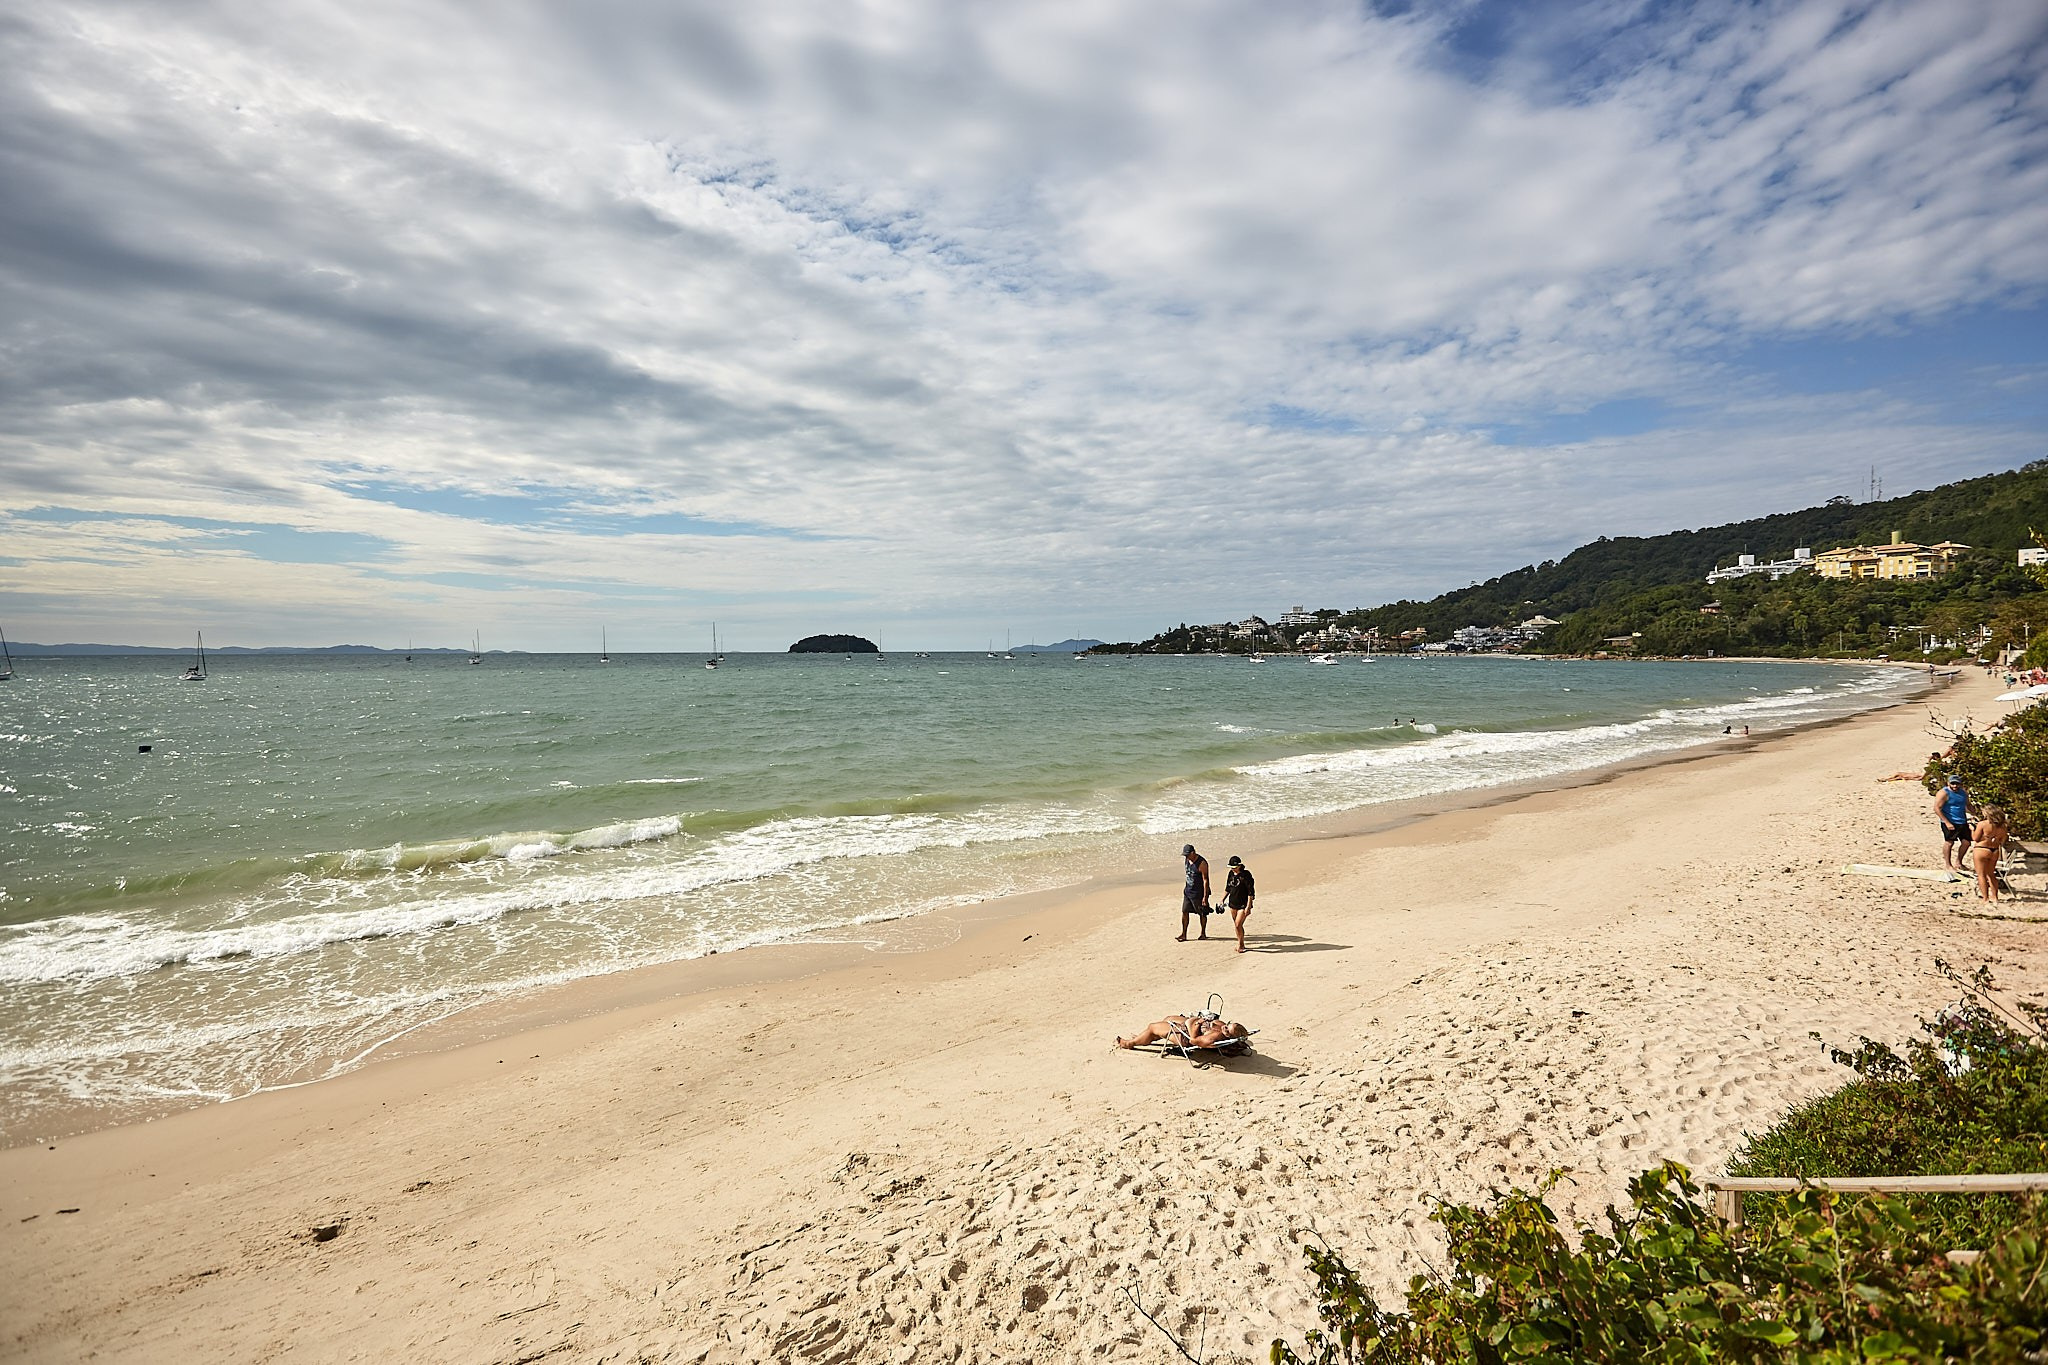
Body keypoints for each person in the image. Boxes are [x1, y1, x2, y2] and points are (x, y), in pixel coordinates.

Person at [1115, 1015, 1250, 1050]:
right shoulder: (1222, 1029)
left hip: (1185, 1035)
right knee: (1167, 1019)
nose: (1224, 1027)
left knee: (1152, 1027)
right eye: (1227, 1025)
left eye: (1227, 1030)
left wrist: (1198, 1024)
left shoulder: (1212, 1038)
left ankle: (1130, 1043)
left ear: (1229, 1036)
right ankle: (1143, 1037)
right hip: (1188, 1024)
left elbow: (1193, 1040)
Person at [1971, 807, 2012, 902]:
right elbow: (2002, 841)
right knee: (1991, 874)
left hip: (1982, 849)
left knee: (1981, 875)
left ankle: (1985, 898)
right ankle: (1995, 897)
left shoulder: (1982, 824)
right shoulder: (2003, 827)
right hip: (1994, 850)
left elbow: (1975, 838)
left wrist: (1972, 829)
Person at [1935, 776, 1973, 870]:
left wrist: (1975, 814)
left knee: (1966, 842)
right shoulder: (1943, 793)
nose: (1955, 786)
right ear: (1948, 783)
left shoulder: (1963, 793)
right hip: (1949, 820)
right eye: (1953, 783)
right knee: (1949, 842)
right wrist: (1947, 822)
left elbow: (1968, 805)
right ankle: (1948, 865)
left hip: (1962, 821)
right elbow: (1937, 808)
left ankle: (1959, 862)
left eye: (1957, 784)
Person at [1176, 844, 1211, 942]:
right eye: (1185, 855)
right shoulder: (1187, 860)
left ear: (1193, 853)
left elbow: (1206, 880)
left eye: (1188, 855)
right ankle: (1184, 934)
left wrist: (1205, 897)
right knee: (1184, 911)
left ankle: (1203, 933)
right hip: (1188, 891)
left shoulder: (1202, 863)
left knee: (1202, 913)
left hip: (1198, 893)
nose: (1186, 857)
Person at [1223, 855, 1256, 953]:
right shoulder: (1231, 874)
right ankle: (1240, 942)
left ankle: (1241, 945)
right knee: (1237, 925)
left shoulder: (1246, 875)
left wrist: (1249, 906)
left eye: (1234, 867)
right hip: (1233, 903)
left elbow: (1251, 892)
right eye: (1231, 867)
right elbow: (1228, 888)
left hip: (1243, 904)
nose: (1233, 869)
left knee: (1238, 924)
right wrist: (1222, 900)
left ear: (1239, 865)